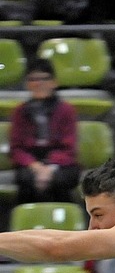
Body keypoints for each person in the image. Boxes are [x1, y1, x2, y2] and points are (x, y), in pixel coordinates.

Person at [9, 59, 81, 206]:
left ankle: (65, 223)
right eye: (33, 79)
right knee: (26, 179)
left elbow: (69, 148)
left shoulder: (66, 110)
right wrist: (36, 167)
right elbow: (16, 149)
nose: (38, 83)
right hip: (31, 162)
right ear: (28, 84)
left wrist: (49, 168)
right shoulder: (20, 111)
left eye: (44, 78)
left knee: (60, 180)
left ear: (54, 82)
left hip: (60, 162)